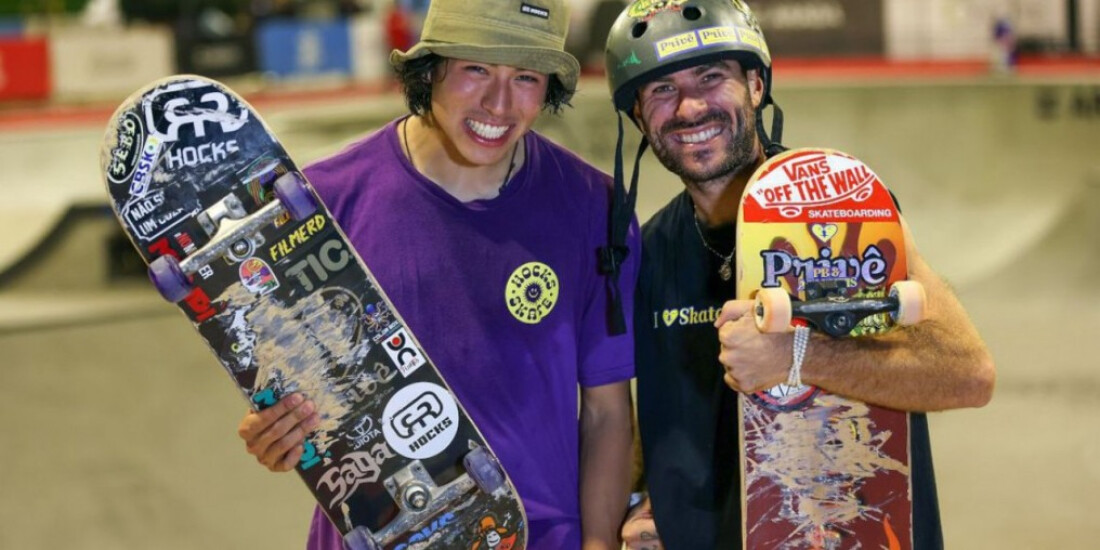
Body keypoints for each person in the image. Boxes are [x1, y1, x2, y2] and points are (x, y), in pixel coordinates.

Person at [236, 0, 637, 548]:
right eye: (476, 69)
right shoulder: (324, 205)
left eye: (525, 76)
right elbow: (300, 396)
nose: (499, 103)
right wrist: (278, 433)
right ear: (429, 71)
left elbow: (607, 414)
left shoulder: (594, 207)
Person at [602, 1, 997, 548]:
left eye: (711, 77)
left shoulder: (845, 211)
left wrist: (798, 356)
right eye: (662, 89)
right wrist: (643, 499)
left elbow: (967, 374)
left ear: (755, 85)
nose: (690, 107)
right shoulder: (649, 251)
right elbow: (663, 409)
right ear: (639, 115)